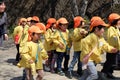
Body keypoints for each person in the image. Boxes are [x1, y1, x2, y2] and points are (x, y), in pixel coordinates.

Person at [101, 13, 120, 79]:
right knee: (109, 62)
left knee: (113, 62)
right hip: (112, 49)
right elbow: (112, 38)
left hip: (116, 49)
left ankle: (109, 73)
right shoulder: (110, 29)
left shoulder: (116, 28)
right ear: (114, 21)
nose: (119, 21)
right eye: (118, 20)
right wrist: (117, 41)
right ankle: (103, 73)